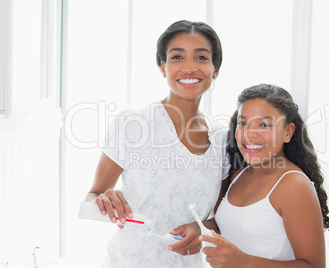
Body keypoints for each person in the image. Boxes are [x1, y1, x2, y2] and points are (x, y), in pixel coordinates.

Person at [85, 20, 230, 268]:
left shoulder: (223, 140)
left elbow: (223, 217)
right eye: (177, 57)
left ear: (215, 69)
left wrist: (201, 228)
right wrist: (103, 201)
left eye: (202, 57)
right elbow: (93, 195)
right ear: (163, 67)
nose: (189, 67)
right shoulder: (133, 124)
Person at [200, 83, 329, 267]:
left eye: (264, 125)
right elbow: (235, 224)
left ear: (288, 132)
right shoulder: (239, 175)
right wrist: (198, 230)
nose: (250, 134)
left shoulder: (294, 186)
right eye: (243, 123)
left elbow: (314, 266)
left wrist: (243, 262)